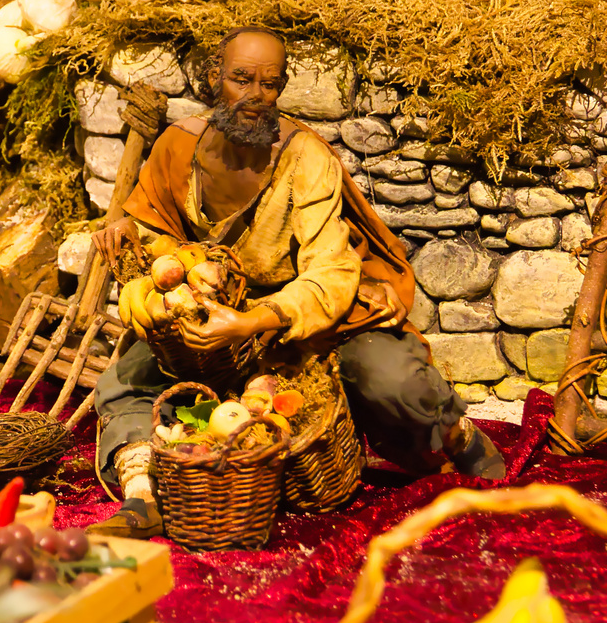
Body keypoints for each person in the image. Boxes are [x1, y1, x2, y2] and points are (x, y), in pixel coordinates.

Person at [87, 28, 505, 539]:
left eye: (269, 84)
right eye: (241, 78)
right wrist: (132, 232)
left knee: (393, 380)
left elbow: (329, 271)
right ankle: (142, 496)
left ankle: (459, 436)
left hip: (302, 318)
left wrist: (250, 322)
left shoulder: (304, 158)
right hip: (212, 318)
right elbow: (156, 233)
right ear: (215, 77)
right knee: (127, 382)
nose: (253, 96)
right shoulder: (179, 147)